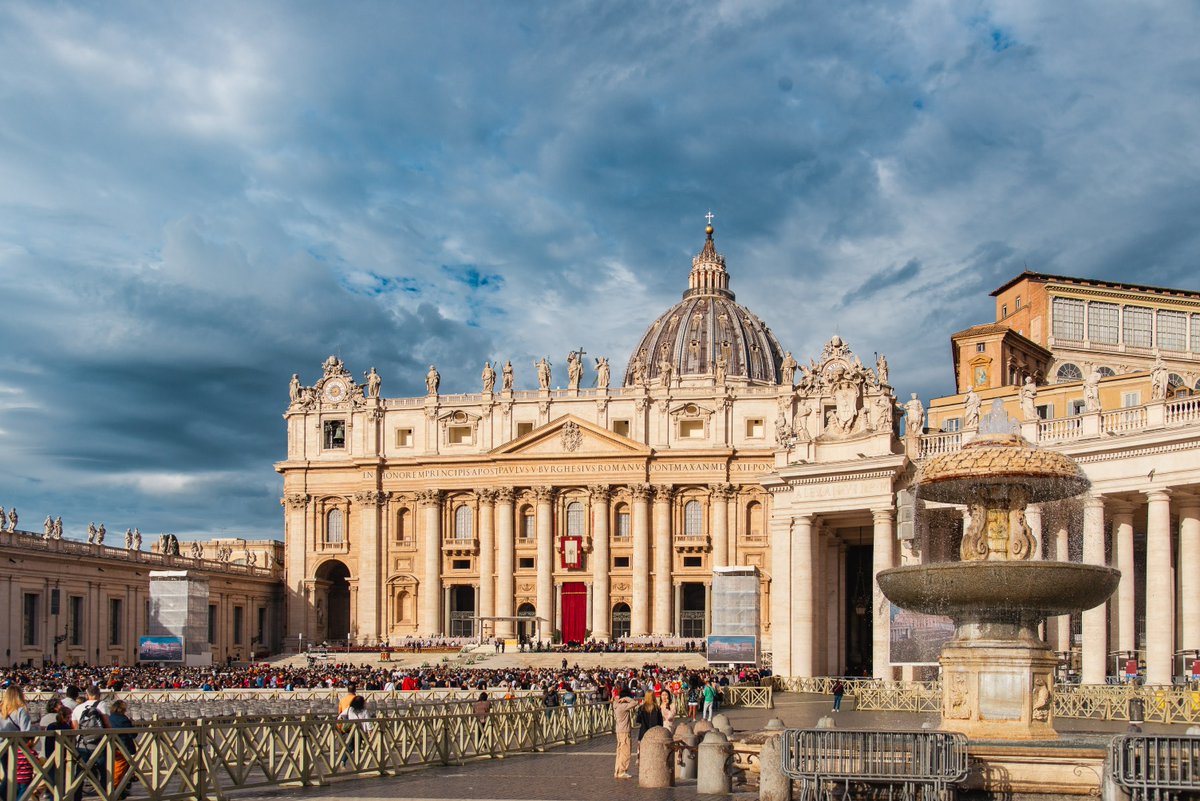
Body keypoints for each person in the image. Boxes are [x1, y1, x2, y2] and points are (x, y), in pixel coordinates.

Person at [71, 685, 110, 801]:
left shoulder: (78, 708)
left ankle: (76, 796)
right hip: (99, 744)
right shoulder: (102, 705)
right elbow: (108, 725)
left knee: (80, 772)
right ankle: (105, 795)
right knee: (104, 770)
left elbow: (75, 728)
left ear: (86, 695)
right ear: (99, 694)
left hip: (82, 744)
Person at [0, 686, 35, 800]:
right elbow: (26, 732)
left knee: (7, 775)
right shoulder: (20, 710)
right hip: (16, 748)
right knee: (16, 777)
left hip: (1, 746)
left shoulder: (1, 709)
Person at [107, 699, 137, 798]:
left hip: (111, 745)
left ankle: (120, 789)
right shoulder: (123, 719)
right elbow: (133, 734)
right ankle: (114, 790)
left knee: (116, 768)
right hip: (123, 746)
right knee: (120, 769)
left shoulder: (109, 718)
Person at [611, 688, 639, 779]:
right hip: (624, 731)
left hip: (619, 730)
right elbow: (635, 703)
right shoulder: (623, 706)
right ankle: (622, 771)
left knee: (619, 751)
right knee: (625, 752)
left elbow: (614, 699)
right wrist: (627, 698)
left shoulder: (616, 705)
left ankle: (617, 771)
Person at [633, 691, 663, 761]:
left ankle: (641, 761)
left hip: (643, 731)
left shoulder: (641, 708)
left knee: (642, 749)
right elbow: (660, 722)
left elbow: (638, 720)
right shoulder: (657, 708)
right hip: (654, 731)